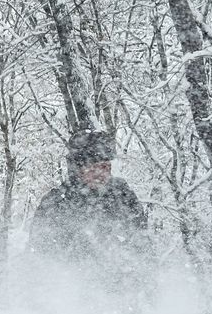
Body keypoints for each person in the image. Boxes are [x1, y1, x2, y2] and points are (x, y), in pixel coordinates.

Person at [28, 128, 151, 302]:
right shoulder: (56, 203)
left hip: (122, 297)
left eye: (106, 165)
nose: (103, 172)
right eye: (94, 166)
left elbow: (142, 245)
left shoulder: (122, 196)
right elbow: (38, 256)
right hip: (70, 298)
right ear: (79, 168)